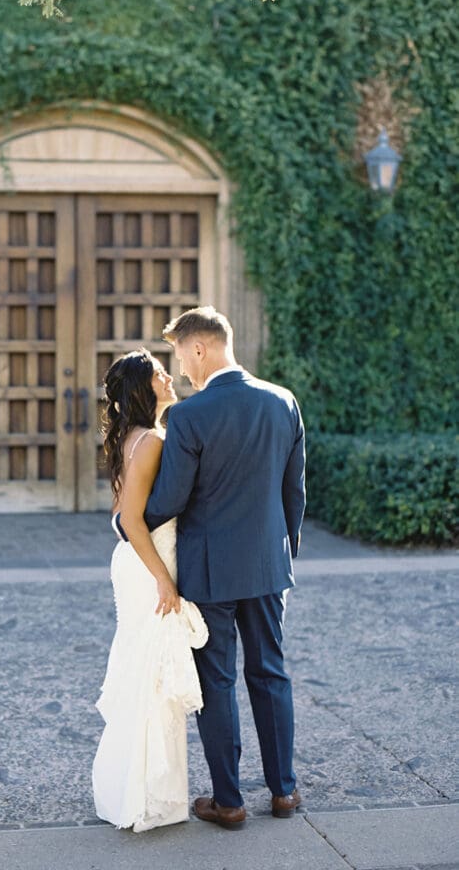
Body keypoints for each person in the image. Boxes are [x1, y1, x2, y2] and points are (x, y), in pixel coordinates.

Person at [132, 305, 306, 830]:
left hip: (210, 571)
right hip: (267, 566)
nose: (181, 367)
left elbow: (170, 498)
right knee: (271, 673)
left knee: (218, 681)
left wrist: (129, 523)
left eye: (180, 354)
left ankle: (228, 802)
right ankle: (284, 792)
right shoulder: (283, 402)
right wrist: (283, 554)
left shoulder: (190, 416)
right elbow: (294, 492)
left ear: (200, 347)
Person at [92, 348, 209, 833]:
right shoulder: (153, 442)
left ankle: (136, 791)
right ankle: (149, 799)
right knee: (152, 678)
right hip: (148, 565)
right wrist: (163, 578)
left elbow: (118, 516)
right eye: (160, 374)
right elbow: (131, 520)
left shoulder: (134, 438)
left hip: (137, 562)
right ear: (145, 388)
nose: (169, 376)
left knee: (146, 672)